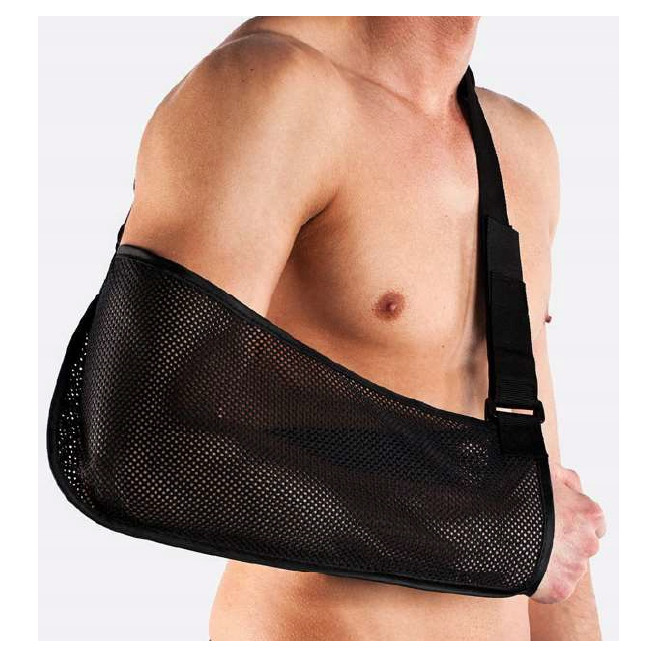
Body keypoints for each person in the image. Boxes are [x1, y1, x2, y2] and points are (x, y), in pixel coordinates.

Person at [120, 16, 606, 641]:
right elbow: (139, 441)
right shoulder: (268, 89)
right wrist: (503, 531)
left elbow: (543, 484)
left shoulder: (521, 143)